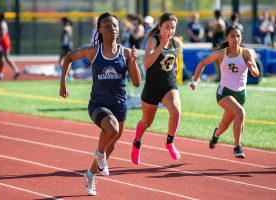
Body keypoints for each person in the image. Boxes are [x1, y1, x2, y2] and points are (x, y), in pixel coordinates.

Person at [59, 12, 141, 196]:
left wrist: (133, 62)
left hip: (119, 104)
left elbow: (136, 82)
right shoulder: (93, 51)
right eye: (107, 26)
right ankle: (99, 155)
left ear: (118, 29)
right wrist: (63, 83)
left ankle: (90, 175)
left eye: (114, 26)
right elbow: (69, 57)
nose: (111, 29)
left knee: (112, 141)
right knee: (111, 129)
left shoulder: (126, 53)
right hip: (98, 104)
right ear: (100, 30)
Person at [189, 25, 260, 159]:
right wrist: (195, 80)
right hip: (224, 93)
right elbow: (203, 63)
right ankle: (237, 147)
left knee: (224, 124)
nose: (235, 39)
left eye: (238, 36)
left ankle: (216, 135)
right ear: (227, 37)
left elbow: (256, 73)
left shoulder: (247, 53)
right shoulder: (221, 53)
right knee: (240, 113)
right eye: (232, 36)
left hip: (240, 95)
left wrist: (252, 68)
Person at [131, 12, 182, 165]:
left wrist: (176, 70)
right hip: (152, 88)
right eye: (167, 27)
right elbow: (146, 63)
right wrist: (161, 45)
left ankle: (170, 142)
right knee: (146, 123)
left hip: (169, 85)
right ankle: (137, 143)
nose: (170, 31)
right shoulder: (153, 40)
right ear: (160, 27)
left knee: (176, 111)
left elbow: (174, 63)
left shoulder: (176, 43)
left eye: (173, 28)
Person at [0, 13, 20, 80]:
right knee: (5, 57)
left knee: (2, 58)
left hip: (3, 42)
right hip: (6, 41)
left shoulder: (2, 24)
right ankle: (15, 70)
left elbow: (1, 34)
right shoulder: (4, 23)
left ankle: (1, 73)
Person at [212, 10, 226, 82]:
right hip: (220, 42)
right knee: (219, 60)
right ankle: (220, 75)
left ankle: (220, 76)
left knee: (218, 60)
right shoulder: (222, 21)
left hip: (217, 43)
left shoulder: (219, 22)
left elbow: (213, 32)